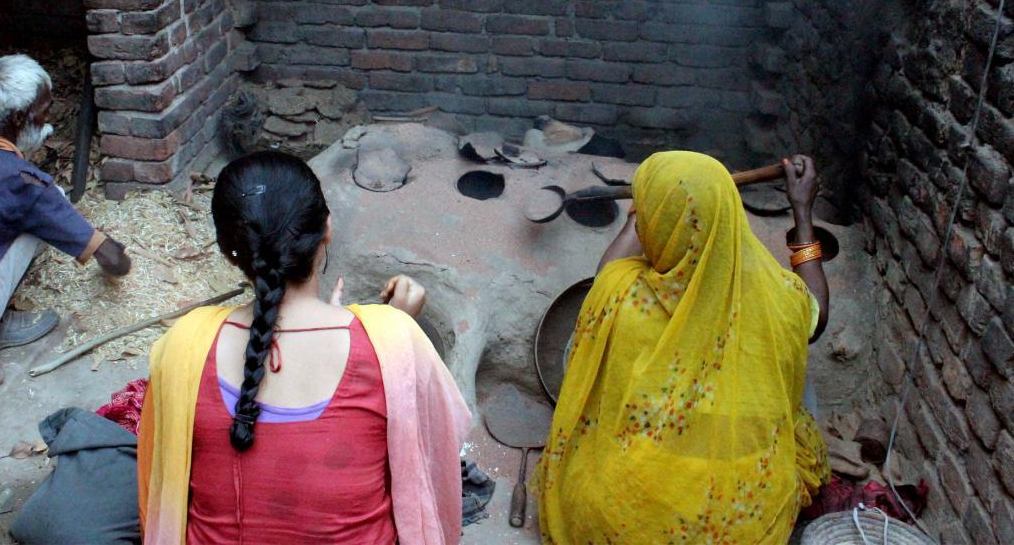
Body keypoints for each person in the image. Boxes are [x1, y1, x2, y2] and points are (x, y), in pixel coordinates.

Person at [137, 151, 470, 545]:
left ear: (227, 251)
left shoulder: (183, 344)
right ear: (327, 227)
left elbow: (158, 479)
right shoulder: (393, 342)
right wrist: (392, 333)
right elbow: (438, 457)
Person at [535, 151, 831, 544]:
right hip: (738, 520)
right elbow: (818, 316)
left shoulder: (622, 297)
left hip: (625, 518)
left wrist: (642, 211)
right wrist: (802, 212)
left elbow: (603, 274)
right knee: (791, 383)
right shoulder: (782, 299)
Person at [0, 54, 131, 347]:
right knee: (47, 210)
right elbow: (113, 260)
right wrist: (117, 256)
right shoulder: (24, 182)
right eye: (44, 110)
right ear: (18, 118)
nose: (48, 119)